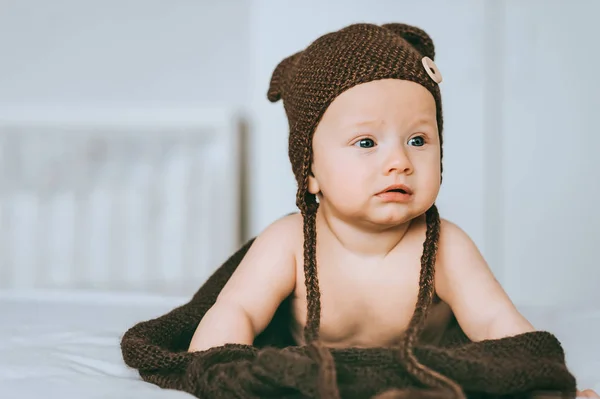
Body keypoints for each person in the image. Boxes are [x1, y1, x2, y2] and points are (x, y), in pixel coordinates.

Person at [188, 22, 598, 398]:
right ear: (309, 171)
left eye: (418, 140)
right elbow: (235, 310)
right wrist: (218, 372)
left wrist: (542, 378)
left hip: (420, 370)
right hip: (319, 371)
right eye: (366, 143)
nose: (399, 161)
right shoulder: (290, 241)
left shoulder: (443, 246)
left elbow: (496, 324)